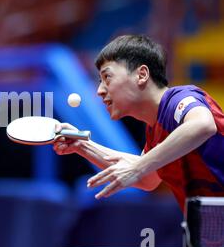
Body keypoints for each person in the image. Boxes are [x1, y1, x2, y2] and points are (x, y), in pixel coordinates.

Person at [53, 34, 224, 210]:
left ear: (141, 75)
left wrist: (138, 168)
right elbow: (147, 179)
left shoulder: (180, 98)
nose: (99, 91)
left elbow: (203, 125)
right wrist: (82, 145)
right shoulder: (155, 131)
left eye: (107, 77)